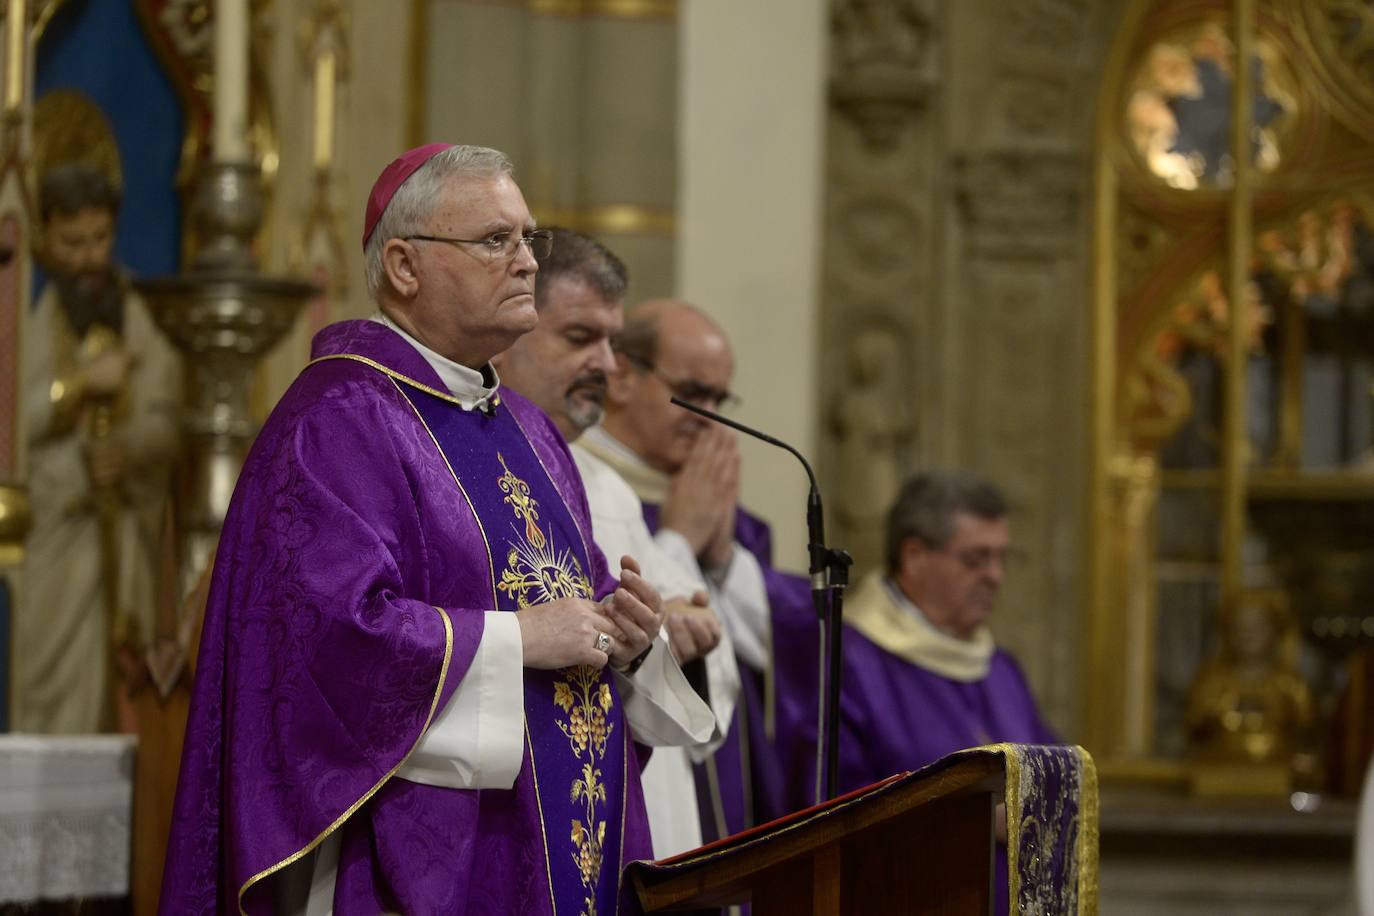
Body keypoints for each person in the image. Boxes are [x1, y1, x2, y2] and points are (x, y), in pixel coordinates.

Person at [160, 145, 713, 915]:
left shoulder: (529, 430)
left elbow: (568, 608)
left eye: (527, 240)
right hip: (425, 858)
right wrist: (521, 640)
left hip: (562, 835)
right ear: (404, 265)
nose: (525, 264)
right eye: (495, 241)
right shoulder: (341, 417)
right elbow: (326, 644)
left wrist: (624, 632)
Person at [493, 227, 737, 858]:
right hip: (518, 807)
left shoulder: (607, 488)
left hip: (636, 797)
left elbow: (684, 697)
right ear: (507, 333)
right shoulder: (457, 471)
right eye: (580, 338)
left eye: (611, 341)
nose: (606, 363)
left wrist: (668, 636)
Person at [579, 299, 814, 841]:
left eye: (719, 398)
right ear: (622, 377)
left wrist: (723, 559)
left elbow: (787, 645)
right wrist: (678, 542)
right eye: (695, 393)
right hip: (641, 774)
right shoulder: (578, 483)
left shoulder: (717, 505)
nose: (710, 416)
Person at [797, 470, 1055, 916]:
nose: (995, 576)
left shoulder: (1000, 669)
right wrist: (977, 821)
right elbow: (832, 817)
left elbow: (1056, 773)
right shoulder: (848, 663)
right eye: (976, 559)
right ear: (914, 556)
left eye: (1000, 558)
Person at [16, 162, 180, 733]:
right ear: (45, 241)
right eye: (72, 242)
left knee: (124, 697)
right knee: (51, 700)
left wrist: (129, 451)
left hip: (127, 538)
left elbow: (169, 422)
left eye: (99, 239)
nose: (88, 257)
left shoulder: (138, 313)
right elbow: (15, 423)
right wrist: (80, 386)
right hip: (55, 542)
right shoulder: (29, 317)